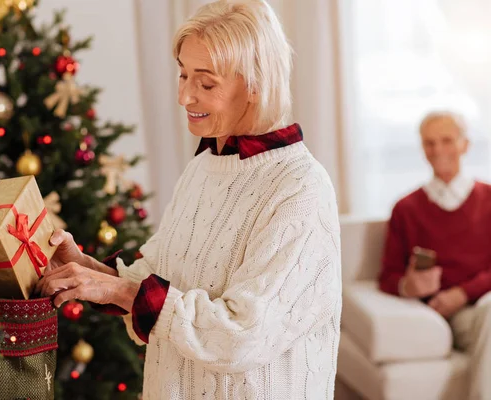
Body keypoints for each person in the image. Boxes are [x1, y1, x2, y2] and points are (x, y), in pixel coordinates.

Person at [37, 1, 342, 398]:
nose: (184, 96)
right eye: (182, 74)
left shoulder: (301, 189)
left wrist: (120, 291)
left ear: (255, 83)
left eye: (206, 82)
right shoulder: (204, 168)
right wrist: (91, 271)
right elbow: (161, 282)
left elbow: (241, 335)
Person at [379, 111, 491, 399]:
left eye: (447, 140)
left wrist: (463, 293)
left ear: (465, 145)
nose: (438, 150)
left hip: (480, 299)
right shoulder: (405, 209)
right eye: (429, 143)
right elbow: (388, 276)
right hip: (456, 316)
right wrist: (408, 285)